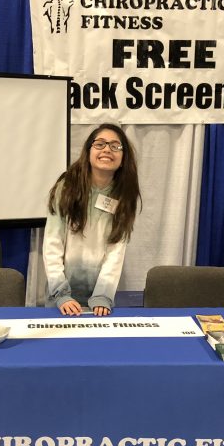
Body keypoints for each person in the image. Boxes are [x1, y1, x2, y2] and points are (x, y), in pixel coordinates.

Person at [43, 123, 141, 316]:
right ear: (88, 151)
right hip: (61, 300)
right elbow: (52, 244)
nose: (107, 149)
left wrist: (102, 296)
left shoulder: (125, 196)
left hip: (100, 302)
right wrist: (61, 294)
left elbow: (116, 252)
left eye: (115, 146)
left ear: (123, 158)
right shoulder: (66, 187)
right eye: (100, 144)